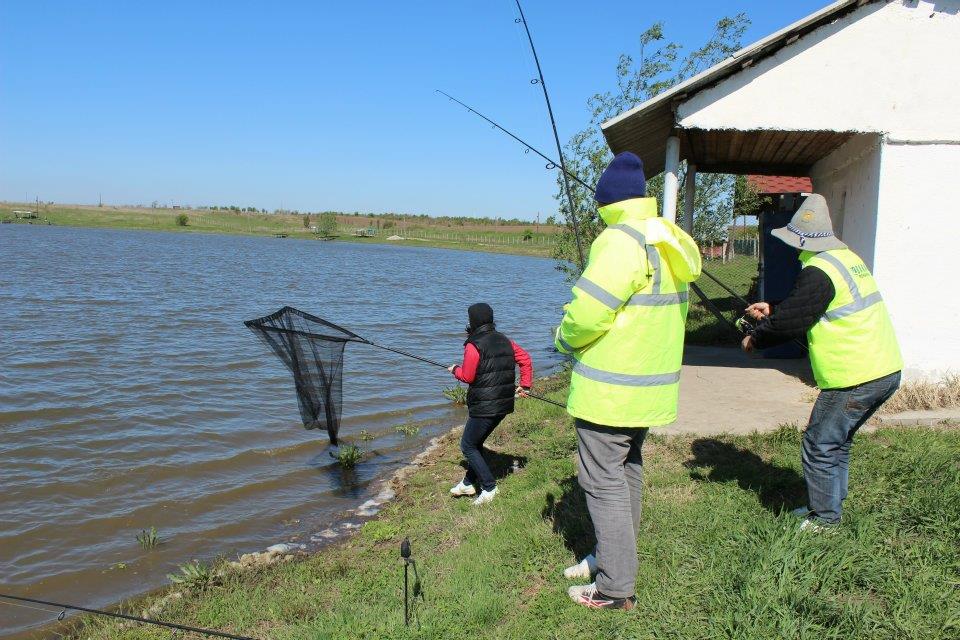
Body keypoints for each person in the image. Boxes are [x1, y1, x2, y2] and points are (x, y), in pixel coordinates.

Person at [554, 152, 701, 610]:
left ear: (607, 202)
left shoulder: (618, 240)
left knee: (601, 481)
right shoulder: (667, 237)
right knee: (627, 471)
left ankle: (616, 588)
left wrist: (562, 338)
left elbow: (588, 313)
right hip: (647, 387)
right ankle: (617, 557)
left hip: (610, 391)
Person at [742, 193, 902, 531]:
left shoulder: (818, 270)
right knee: (837, 443)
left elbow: (793, 322)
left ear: (800, 239)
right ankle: (830, 507)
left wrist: (756, 337)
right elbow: (812, 303)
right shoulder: (843, 260)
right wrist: (774, 306)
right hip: (883, 368)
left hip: (855, 374)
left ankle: (826, 520)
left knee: (819, 444)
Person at [447, 303, 533, 506]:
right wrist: (525, 385)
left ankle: (489, 487)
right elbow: (525, 359)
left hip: (484, 406)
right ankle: (468, 483)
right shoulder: (505, 339)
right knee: (475, 443)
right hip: (503, 404)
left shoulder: (473, 344)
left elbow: (467, 376)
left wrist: (454, 370)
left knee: (467, 445)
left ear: (472, 321)